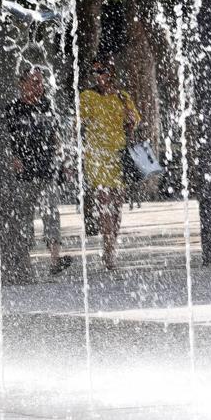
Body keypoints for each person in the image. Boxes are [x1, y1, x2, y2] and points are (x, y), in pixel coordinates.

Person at [1, 67, 72, 283]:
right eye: (34, 82)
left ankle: (55, 260)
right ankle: (24, 263)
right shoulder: (13, 109)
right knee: (24, 219)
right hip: (24, 174)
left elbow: (56, 135)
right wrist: (12, 157)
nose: (38, 87)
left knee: (51, 214)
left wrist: (64, 161)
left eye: (40, 82)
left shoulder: (47, 105)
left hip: (47, 169)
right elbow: (5, 139)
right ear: (22, 84)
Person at [80, 58, 141, 271]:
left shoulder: (122, 97)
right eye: (94, 71)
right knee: (104, 203)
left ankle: (112, 242)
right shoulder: (87, 97)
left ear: (110, 72)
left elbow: (134, 121)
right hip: (97, 158)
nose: (98, 75)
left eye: (102, 70)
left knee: (116, 206)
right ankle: (108, 249)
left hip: (119, 157)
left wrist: (131, 118)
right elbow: (78, 123)